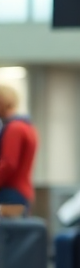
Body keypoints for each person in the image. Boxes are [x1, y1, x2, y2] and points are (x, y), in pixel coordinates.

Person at [0, 85, 38, 214]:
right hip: (22, 191)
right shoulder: (27, 126)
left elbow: (8, 164)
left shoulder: (14, 128)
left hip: (11, 192)